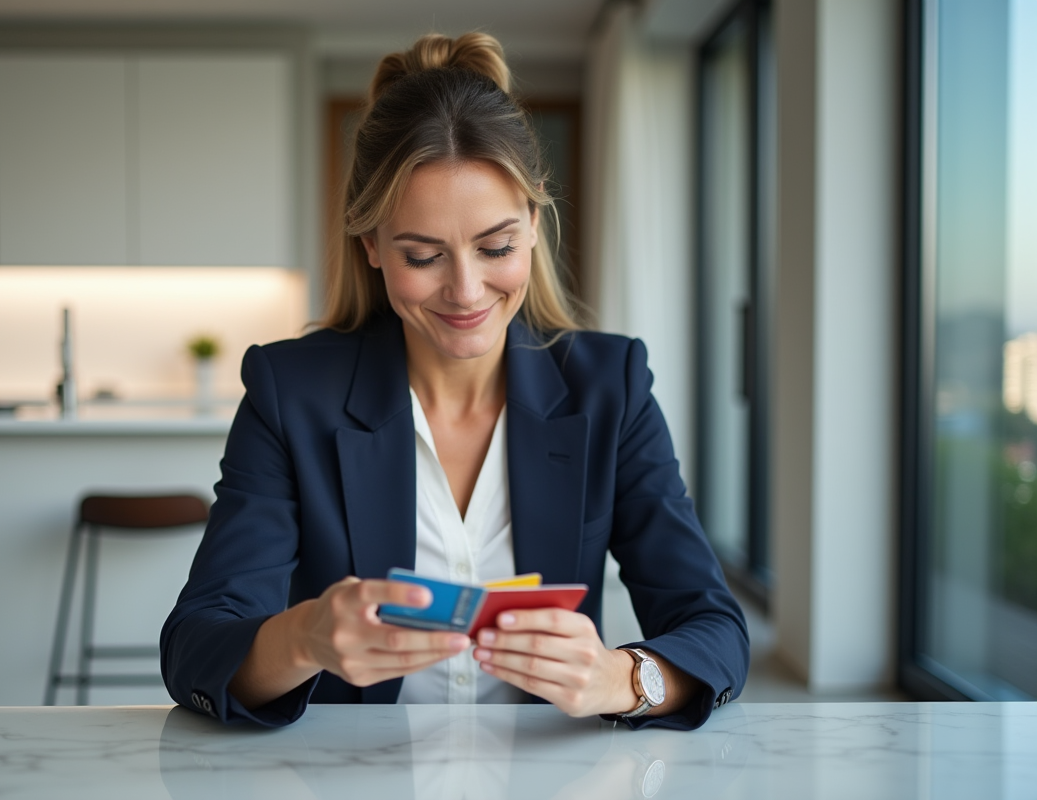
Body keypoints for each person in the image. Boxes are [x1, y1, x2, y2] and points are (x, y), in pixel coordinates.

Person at [160, 31, 748, 730]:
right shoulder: (292, 394)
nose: (466, 291)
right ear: (372, 244)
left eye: (495, 247)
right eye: (423, 254)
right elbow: (195, 646)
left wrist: (623, 678)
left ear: (533, 223)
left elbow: (714, 628)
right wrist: (306, 637)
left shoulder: (610, 388)